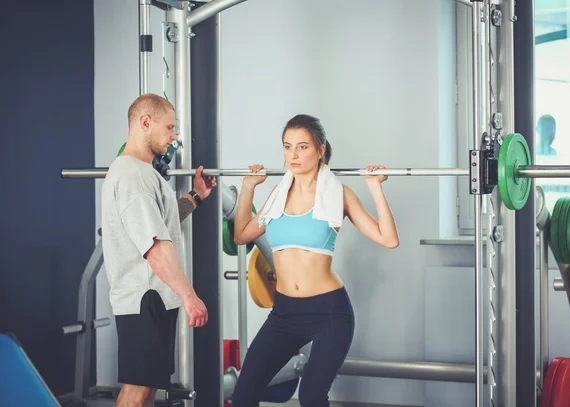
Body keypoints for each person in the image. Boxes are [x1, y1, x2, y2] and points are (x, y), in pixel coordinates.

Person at [231, 114, 399, 406]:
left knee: (311, 396)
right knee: (244, 393)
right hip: (284, 313)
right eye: (287, 146)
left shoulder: (339, 194)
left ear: (321, 149)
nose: (293, 155)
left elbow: (388, 239)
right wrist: (248, 187)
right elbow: (242, 235)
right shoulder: (277, 195)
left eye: (302, 147)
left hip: (329, 313)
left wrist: (375, 187)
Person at [101, 93, 216, 407]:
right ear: (145, 123)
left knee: (146, 390)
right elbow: (154, 248)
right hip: (145, 299)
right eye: (170, 128)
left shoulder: (142, 174)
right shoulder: (132, 175)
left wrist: (196, 195)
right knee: (138, 394)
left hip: (151, 299)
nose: (174, 136)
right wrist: (189, 296)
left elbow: (163, 222)